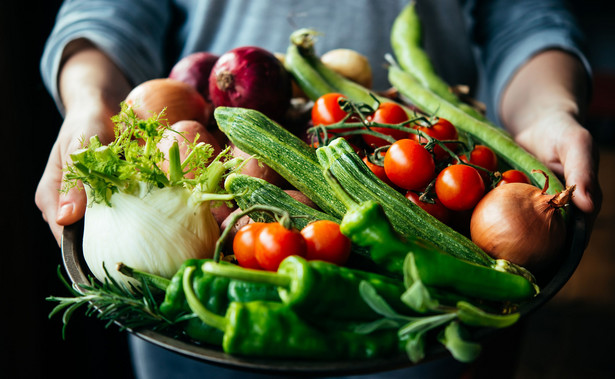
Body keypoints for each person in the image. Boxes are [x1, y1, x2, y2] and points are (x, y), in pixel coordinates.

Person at [36, 0, 602, 377]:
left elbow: (524, 15)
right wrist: (90, 104)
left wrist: (550, 109)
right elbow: (108, 9)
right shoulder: (228, 151)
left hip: (428, 338)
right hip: (198, 319)